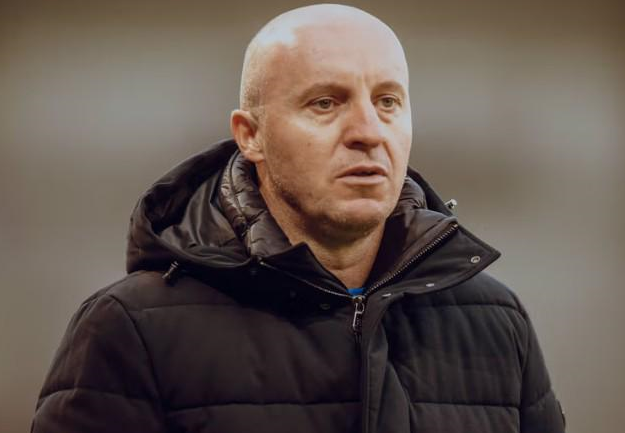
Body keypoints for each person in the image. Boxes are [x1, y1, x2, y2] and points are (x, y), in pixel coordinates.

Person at [31, 4, 566, 433]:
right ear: (251, 135)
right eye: (326, 103)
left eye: (388, 102)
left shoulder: (496, 321)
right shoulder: (131, 328)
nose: (368, 131)